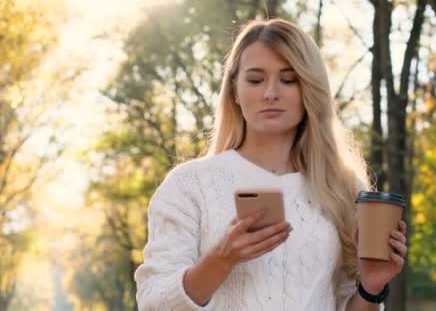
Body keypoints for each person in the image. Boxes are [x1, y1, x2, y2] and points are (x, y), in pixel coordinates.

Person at [134, 18, 407, 310]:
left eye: (289, 80)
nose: (271, 93)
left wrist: (371, 288)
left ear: (309, 91)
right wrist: (221, 259)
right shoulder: (189, 185)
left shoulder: (343, 190)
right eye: (255, 79)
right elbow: (153, 302)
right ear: (234, 92)